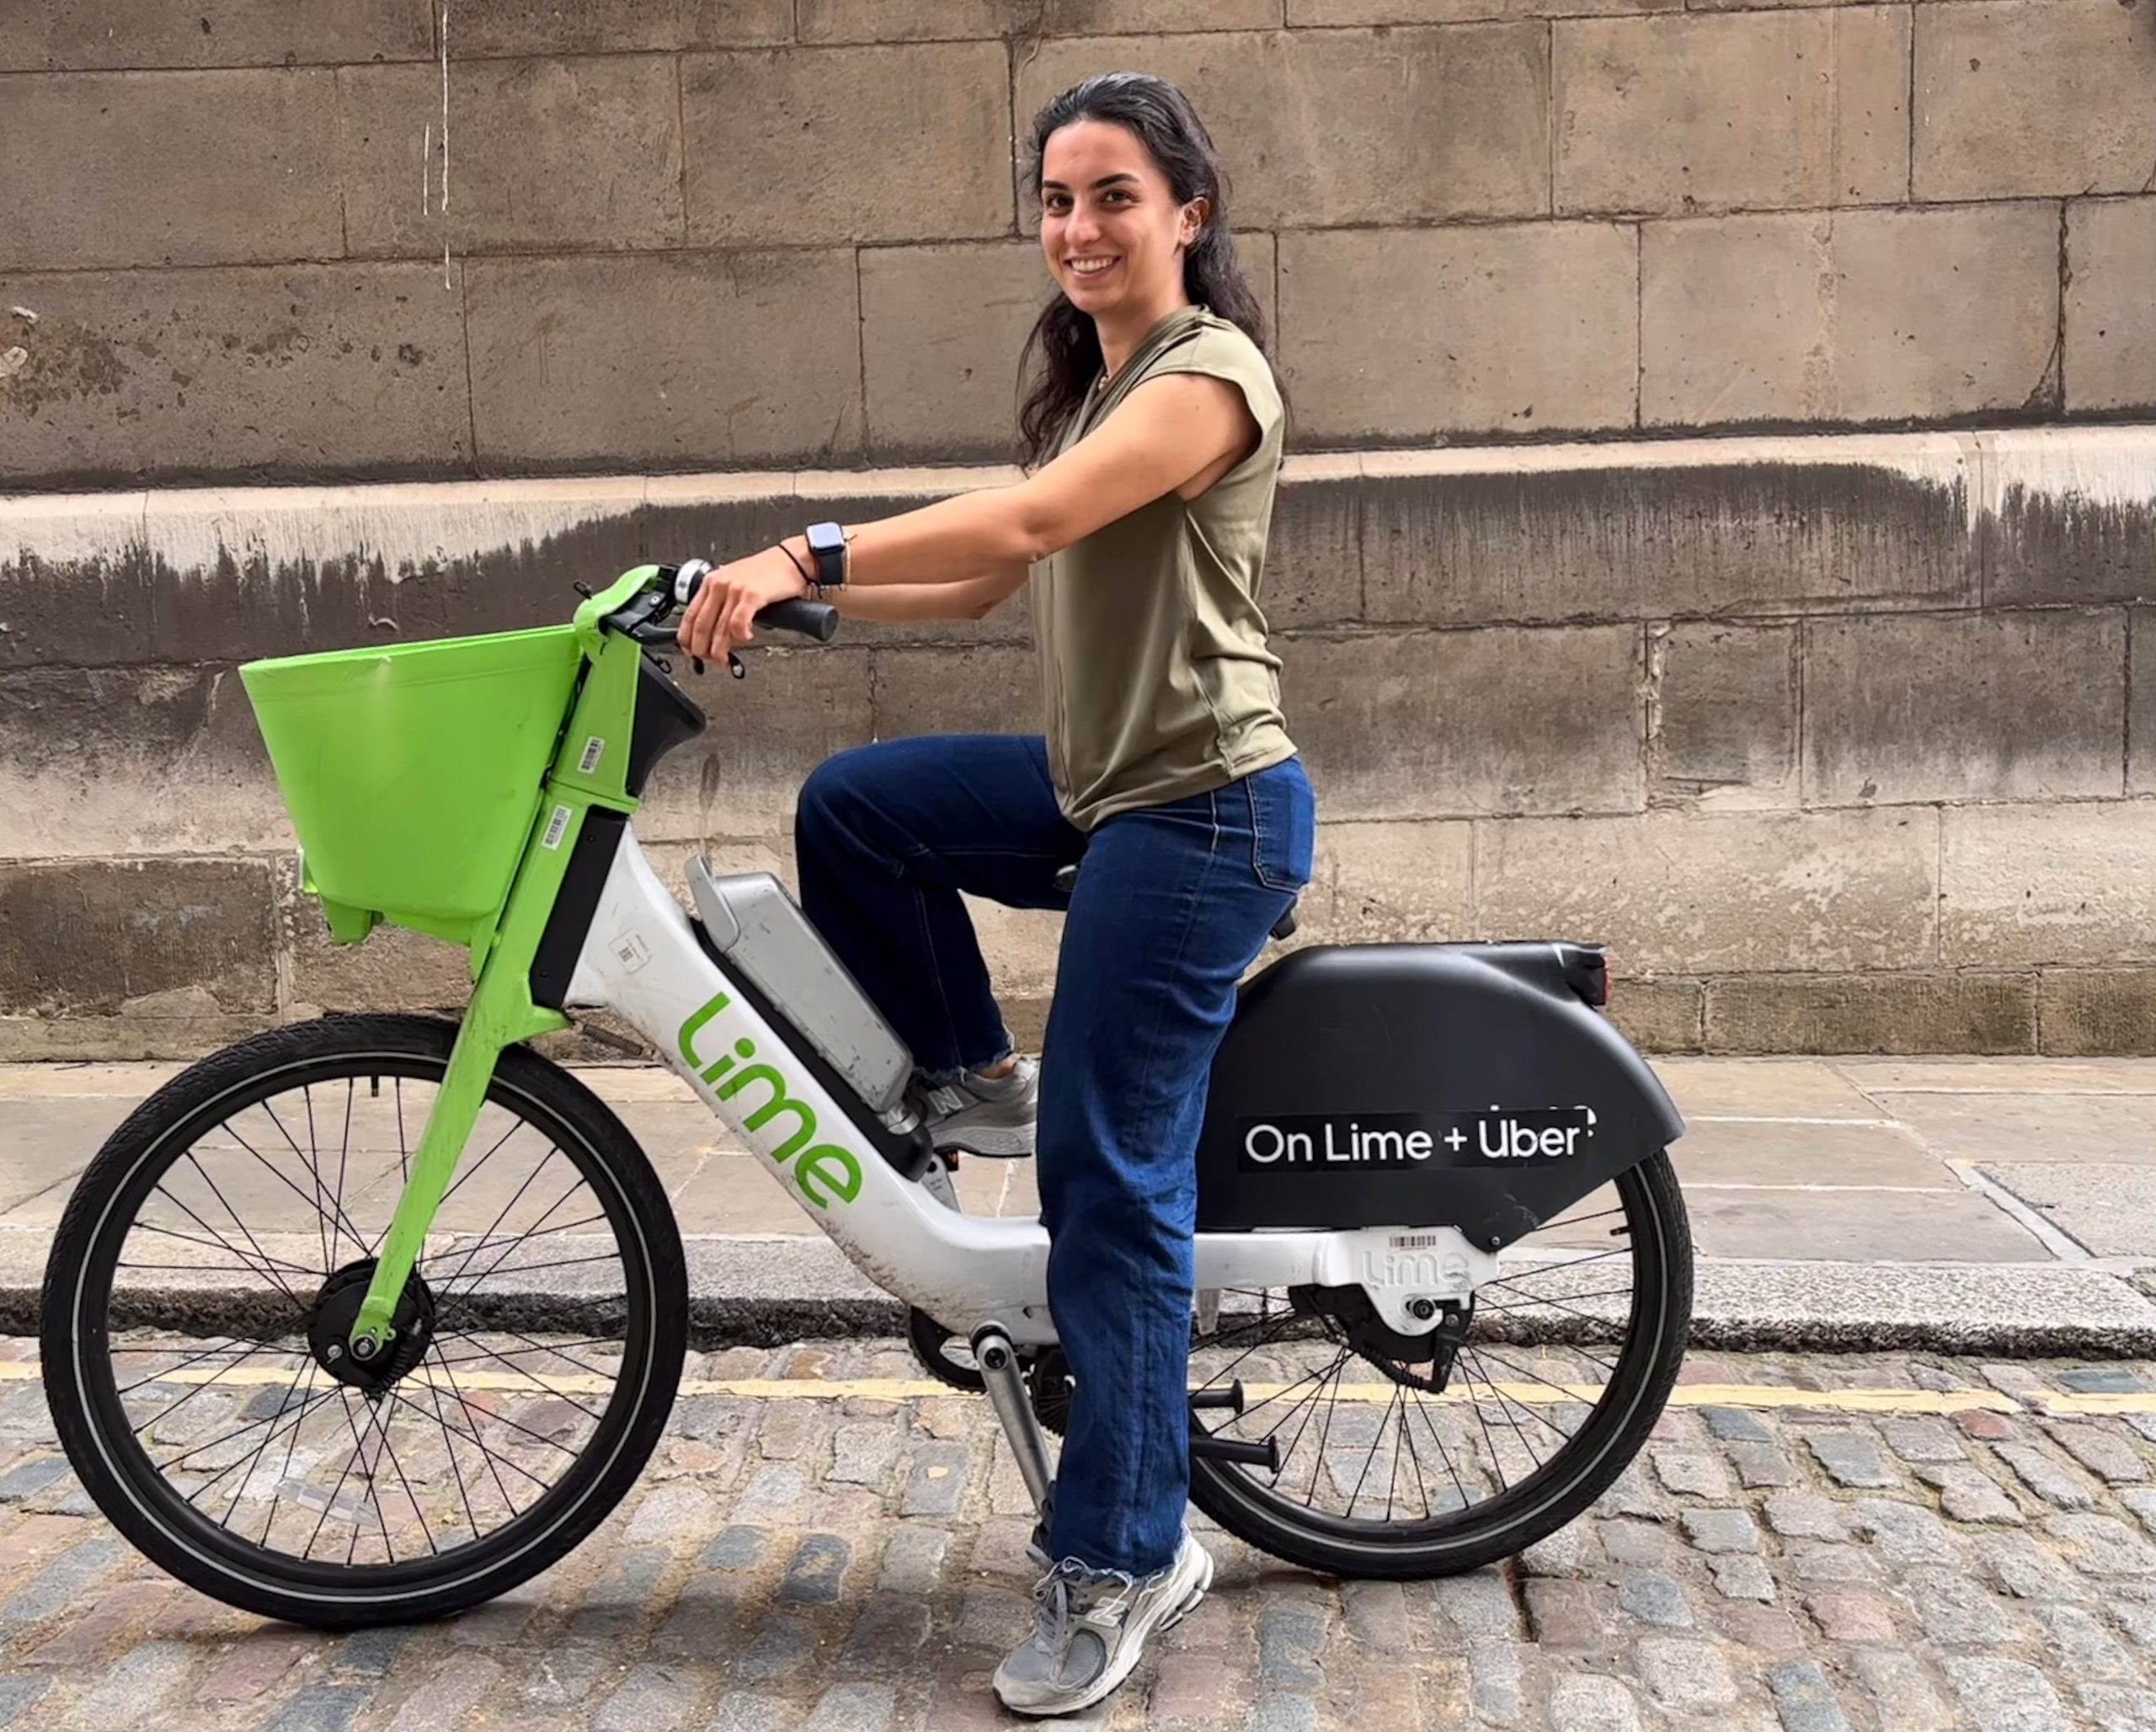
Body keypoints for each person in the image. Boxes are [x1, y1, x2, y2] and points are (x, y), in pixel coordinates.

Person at [677, 70, 1313, 1719]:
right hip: (1104, 784)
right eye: (1053, 200)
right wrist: (768, 594)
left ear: (1186, 212)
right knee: (859, 810)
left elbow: (1026, 517)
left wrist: (804, 551)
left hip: (1203, 813)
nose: (1077, 227)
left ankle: (1123, 1549)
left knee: (1108, 1178)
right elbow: (988, 565)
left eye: (1110, 195)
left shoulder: (1208, 377)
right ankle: (964, 1075)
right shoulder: (1099, 394)